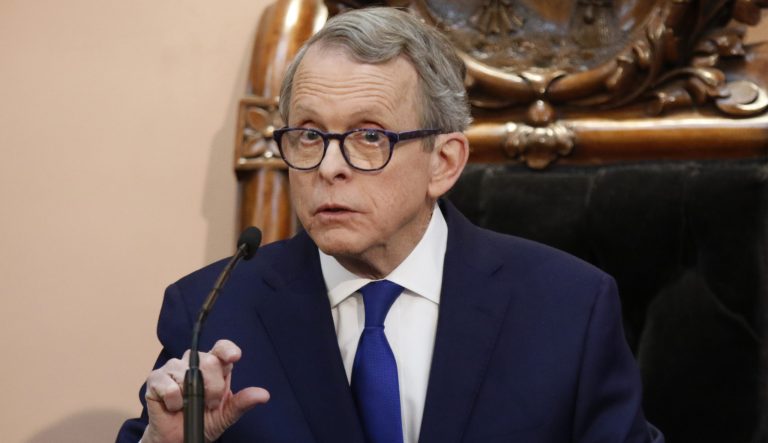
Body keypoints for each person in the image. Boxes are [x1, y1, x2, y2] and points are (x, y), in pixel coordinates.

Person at [117, 7, 663, 443]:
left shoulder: (568, 306)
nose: (329, 166)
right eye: (308, 135)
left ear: (443, 162)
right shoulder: (213, 312)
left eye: (369, 136)